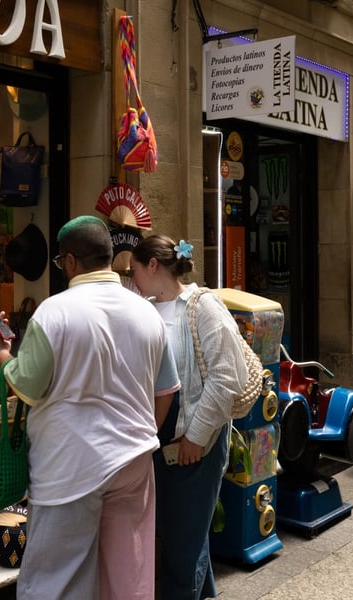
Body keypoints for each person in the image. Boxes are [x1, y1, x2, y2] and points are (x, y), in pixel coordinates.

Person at [0, 215, 179, 600]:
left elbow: (27, 387)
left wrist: (3, 355)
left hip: (71, 466)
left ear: (71, 261)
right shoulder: (147, 312)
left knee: (57, 581)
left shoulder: (53, 313)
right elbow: (166, 390)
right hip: (135, 460)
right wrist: (142, 435)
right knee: (127, 577)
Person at [130, 234, 248, 600]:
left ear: (153, 265)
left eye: (134, 270)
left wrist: (195, 437)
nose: (132, 279)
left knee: (182, 548)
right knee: (183, 535)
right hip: (161, 441)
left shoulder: (203, 305)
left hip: (196, 441)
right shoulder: (144, 308)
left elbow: (227, 377)